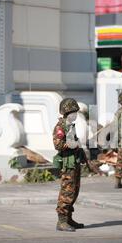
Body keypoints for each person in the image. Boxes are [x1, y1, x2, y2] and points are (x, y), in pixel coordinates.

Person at [53, 98, 85, 232]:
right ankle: (61, 221)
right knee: (67, 192)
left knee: (74, 191)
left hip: (74, 162)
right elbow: (58, 145)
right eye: (73, 112)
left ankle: (68, 218)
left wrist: (80, 151)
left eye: (76, 112)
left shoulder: (70, 125)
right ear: (66, 112)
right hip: (67, 164)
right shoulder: (61, 126)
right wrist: (72, 144)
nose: (75, 114)